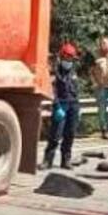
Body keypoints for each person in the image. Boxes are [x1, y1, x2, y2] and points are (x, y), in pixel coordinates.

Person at [42, 42, 81, 170]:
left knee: (70, 134)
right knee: (55, 134)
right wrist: (57, 106)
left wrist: (77, 108)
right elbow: (53, 91)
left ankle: (66, 160)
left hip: (73, 105)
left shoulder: (73, 72)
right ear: (62, 57)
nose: (69, 61)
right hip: (61, 105)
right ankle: (48, 161)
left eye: (72, 59)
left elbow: (76, 90)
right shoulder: (55, 72)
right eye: (68, 58)